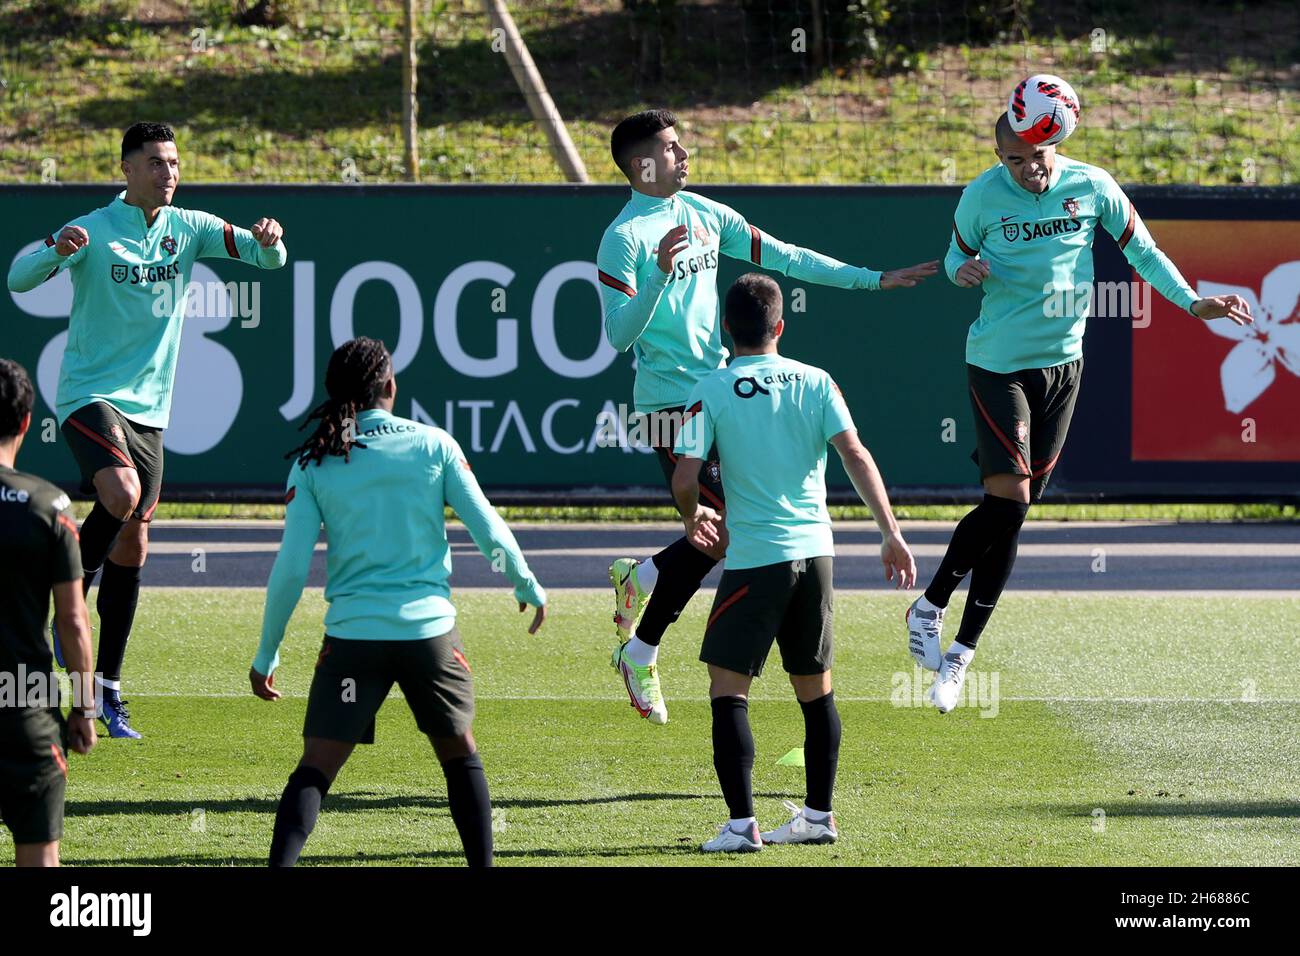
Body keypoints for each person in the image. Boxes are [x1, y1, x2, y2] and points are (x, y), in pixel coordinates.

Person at [906, 113, 1254, 713]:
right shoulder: (982, 196)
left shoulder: (1092, 186)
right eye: (1012, 159)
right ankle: (931, 603)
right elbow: (954, 259)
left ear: (1054, 142)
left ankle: (961, 651)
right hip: (998, 364)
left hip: (1065, 366)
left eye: (1034, 154)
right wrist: (962, 272)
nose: (1026, 168)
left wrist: (1194, 303)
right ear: (999, 157)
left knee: (1010, 516)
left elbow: (1143, 253)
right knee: (1010, 499)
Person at [598, 108, 936, 723]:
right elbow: (619, 336)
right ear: (642, 164)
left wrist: (873, 282)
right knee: (721, 533)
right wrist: (655, 276)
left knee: (729, 532)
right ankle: (641, 643)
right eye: (672, 148)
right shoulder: (623, 238)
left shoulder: (703, 214)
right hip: (670, 404)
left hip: (721, 391)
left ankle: (642, 583)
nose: (684, 154)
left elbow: (785, 257)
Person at [5, 121, 287, 738]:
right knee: (122, 494)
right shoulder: (95, 229)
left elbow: (268, 259)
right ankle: (64, 596)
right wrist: (55, 247)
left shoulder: (189, 229)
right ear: (127, 170)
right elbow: (18, 277)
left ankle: (105, 687)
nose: (169, 174)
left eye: (175, 163)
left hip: (151, 411)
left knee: (134, 544)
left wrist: (270, 239)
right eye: (156, 163)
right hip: (88, 395)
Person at [251, 337, 547, 868]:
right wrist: (525, 583)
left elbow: (292, 569)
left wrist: (267, 652)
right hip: (428, 641)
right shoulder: (434, 446)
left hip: (352, 644)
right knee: (460, 756)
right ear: (390, 386)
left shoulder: (316, 460)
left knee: (316, 766)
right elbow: (489, 533)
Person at [672, 275, 916, 853]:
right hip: (817, 555)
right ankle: (818, 816)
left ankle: (740, 827)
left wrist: (691, 519)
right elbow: (855, 453)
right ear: (780, 326)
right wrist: (891, 533)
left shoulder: (712, 387)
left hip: (756, 559)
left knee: (728, 690)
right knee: (817, 693)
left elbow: (685, 476)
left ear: (726, 328)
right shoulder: (817, 380)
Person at [0, 359, 97, 866]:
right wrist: (84, 708)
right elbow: (74, 622)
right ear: (24, 422)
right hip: (24, 711)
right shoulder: (49, 505)